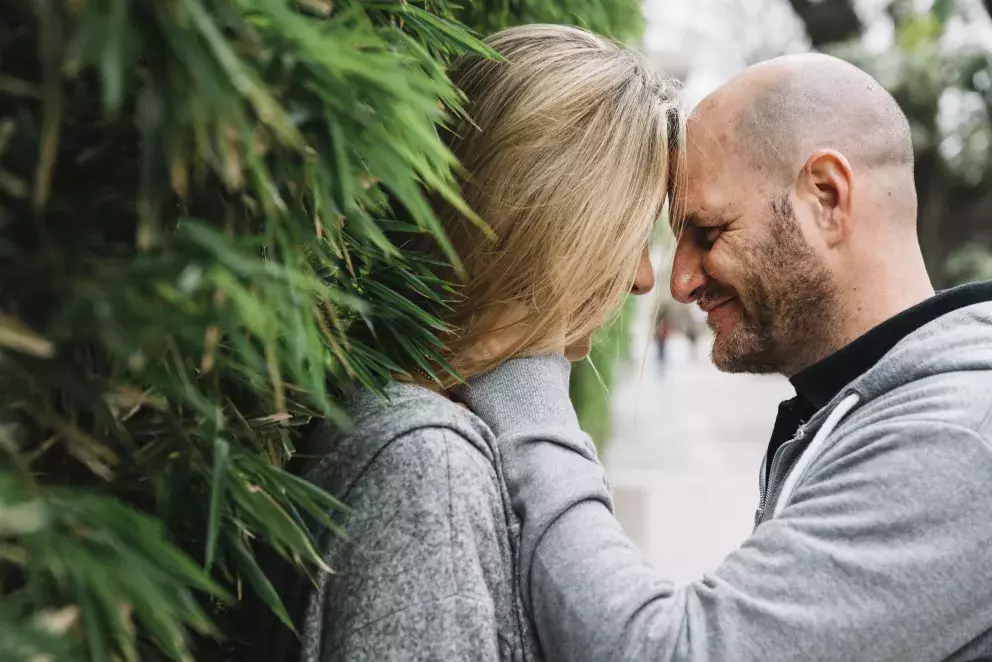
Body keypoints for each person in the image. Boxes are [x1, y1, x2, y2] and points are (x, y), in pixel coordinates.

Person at [461, 53, 992, 661]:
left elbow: (670, 653)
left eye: (707, 232)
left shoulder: (955, 435)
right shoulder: (875, 407)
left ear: (825, 196)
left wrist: (520, 372)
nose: (679, 281)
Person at [271, 25, 682, 662]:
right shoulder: (428, 462)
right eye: (627, 234)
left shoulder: (425, 425)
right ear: (554, 223)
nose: (642, 278)